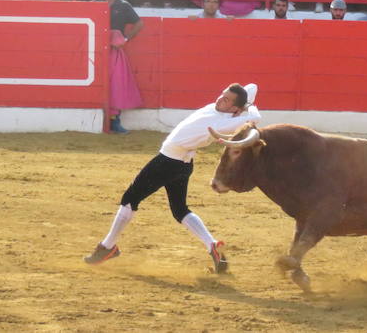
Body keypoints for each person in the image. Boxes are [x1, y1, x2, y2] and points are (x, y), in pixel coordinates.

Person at [84, 81, 259, 270]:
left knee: (130, 199)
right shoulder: (222, 112)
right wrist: (244, 107)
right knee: (180, 210)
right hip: (183, 164)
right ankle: (212, 245)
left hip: (167, 161)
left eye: (226, 100)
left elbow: (255, 117)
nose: (220, 99)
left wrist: (247, 110)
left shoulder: (224, 123)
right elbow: (252, 87)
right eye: (222, 94)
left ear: (234, 108)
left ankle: (108, 247)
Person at [93, 0, 143, 134]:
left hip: (114, 49)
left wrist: (126, 38)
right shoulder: (95, 3)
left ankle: (115, 120)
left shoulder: (124, 5)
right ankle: (98, 118)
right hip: (96, 50)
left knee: (116, 84)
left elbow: (139, 23)